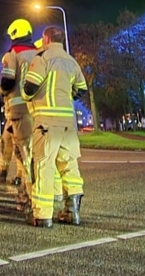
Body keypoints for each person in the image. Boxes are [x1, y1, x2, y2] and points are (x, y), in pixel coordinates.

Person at [23, 25, 88, 228]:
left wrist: (28, 97)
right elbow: (82, 90)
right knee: (69, 164)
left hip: (47, 122)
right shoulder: (71, 61)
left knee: (44, 165)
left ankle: (42, 216)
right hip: (68, 123)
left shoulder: (42, 58)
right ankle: (72, 212)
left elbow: (30, 87)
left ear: (46, 38)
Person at [0, 19, 38, 210]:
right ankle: (4, 171)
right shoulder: (39, 54)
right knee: (8, 140)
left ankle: (28, 194)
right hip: (34, 109)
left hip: (18, 109)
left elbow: (8, 81)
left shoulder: (13, 54)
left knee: (24, 152)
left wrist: (1, 91)